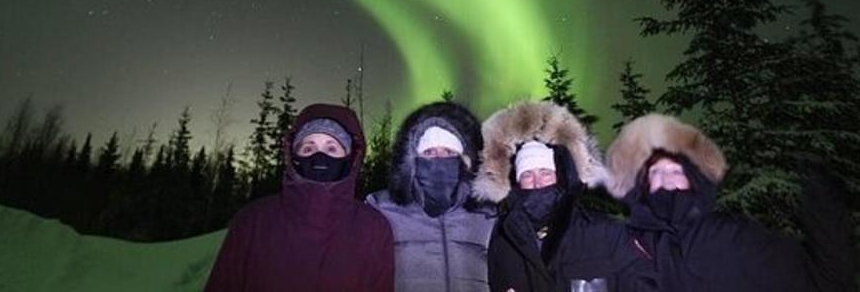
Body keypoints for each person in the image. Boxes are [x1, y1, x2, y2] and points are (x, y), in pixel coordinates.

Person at [606, 113, 859, 292]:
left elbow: (823, 278)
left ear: (694, 179)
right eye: (656, 173)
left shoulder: (731, 237)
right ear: (643, 185)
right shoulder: (631, 246)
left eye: (676, 171)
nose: (667, 181)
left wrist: (825, 203)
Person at [203, 102, 394, 291]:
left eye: (332, 149)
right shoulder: (253, 222)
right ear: (294, 156)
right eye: (308, 148)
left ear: (350, 158)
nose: (320, 157)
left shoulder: (374, 229)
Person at [474, 100, 650, 292]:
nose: (537, 182)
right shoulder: (504, 241)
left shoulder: (606, 231)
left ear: (561, 177)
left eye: (545, 173)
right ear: (514, 183)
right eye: (527, 175)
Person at [367, 100, 497, 291]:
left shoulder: (487, 214)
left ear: (464, 160)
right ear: (413, 159)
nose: (439, 158)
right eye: (429, 152)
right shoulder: (382, 209)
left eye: (448, 152)